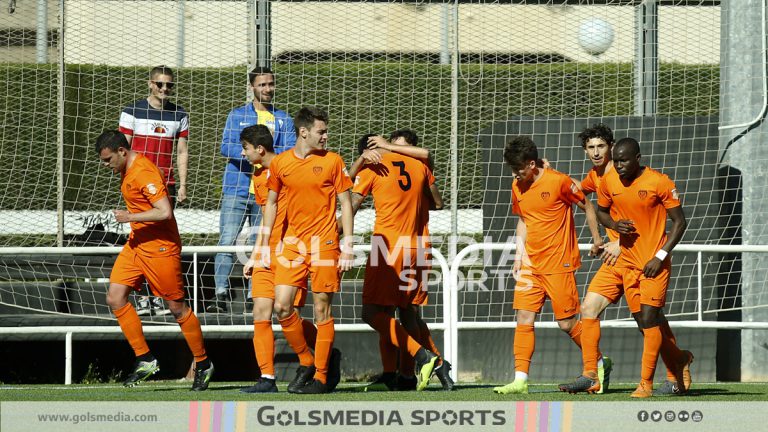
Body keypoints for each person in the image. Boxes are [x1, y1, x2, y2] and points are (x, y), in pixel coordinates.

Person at [559, 124, 692, 395]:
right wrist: (598, 238)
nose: (597, 153)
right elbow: (586, 199)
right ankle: (592, 373)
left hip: (636, 256)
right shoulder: (599, 178)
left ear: (611, 147)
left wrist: (620, 243)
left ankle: (673, 367)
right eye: (590, 148)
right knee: (589, 309)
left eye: (601, 147)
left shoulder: (644, 178)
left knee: (649, 323)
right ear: (585, 151)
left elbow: (656, 223)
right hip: (616, 261)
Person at [95, 130, 213, 391]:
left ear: (122, 152)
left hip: (160, 248)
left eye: (107, 160)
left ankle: (203, 363)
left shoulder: (144, 172)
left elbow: (165, 211)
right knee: (115, 297)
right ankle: (145, 359)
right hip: (137, 244)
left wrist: (129, 218)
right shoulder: (127, 169)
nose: (106, 166)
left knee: (176, 308)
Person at [493, 136, 603, 395]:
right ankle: (520, 380)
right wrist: (519, 255)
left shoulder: (558, 181)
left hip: (558, 263)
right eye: (512, 170)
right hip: (531, 264)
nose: (516, 174)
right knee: (523, 317)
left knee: (566, 323)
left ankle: (598, 361)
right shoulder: (517, 186)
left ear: (532, 164)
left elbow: (588, 206)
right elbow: (523, 221)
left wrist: (597, 240)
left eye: (519, 169)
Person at [256, 106, 353, 394]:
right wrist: (263, 243)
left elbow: (346, 204)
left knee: (322, 309)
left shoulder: (334, 161)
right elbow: (271, 204)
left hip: (324, 244)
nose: (326, 136)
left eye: (325, 131)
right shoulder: (281, 163)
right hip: (292, 245)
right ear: (304, 132)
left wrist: (347, 245)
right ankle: (308, 360)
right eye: (321, 131)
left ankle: (322, 378)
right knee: (282, 306)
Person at [349, 131, 452, 392]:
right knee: (407, 312)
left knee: (373, 312)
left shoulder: (375, 168)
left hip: (389, 249)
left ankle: (426, 357)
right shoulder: (420, 166)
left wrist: (333, 234)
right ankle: (403, 376)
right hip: (418, 247)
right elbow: (438, 202)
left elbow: (351, 205)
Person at [237, 125, 324, 393]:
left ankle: (320, 356)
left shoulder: (291, 166)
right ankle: (267, 378)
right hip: (267, 251)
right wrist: (257, 252)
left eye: (245, 148)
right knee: (261, 313)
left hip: (292, 251)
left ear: (259, 149)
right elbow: (266, 213)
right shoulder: (258, 173)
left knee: (287, 312)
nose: (243, 153)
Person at [211, 67, 296, 313]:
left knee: (263, 240)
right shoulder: (237, 115)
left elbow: (289, 152)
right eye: (262, 85)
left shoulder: (284, 119)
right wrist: (250, 155)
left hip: (269, 191)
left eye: (271, 84)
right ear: (252, 87)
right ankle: (220, 291)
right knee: (228, 240)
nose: (267, 89)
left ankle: (254, 293)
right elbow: (225, 146)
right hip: (236, 187)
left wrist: (264, 157)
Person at [119, 65, 189, 316]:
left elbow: (182, 151)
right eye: (160, 84)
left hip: (165, 184)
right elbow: (122, 150)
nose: (165, 89)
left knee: (163, 240)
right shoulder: (131, 111)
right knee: (142, 238)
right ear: (150, 84)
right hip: (139, 185)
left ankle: (159, 295)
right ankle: (142, 296)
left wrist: (182, 183)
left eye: (169, 85)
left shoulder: (179, 114)